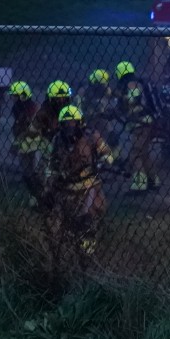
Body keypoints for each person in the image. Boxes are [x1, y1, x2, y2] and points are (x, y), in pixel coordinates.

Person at [46, 105, 114, 257]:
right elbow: (51, 163)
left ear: (80, 122)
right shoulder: (58, 139)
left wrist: (102, 161)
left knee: (87, 216)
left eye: (73, 122)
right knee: (59, 221)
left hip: (89, 183)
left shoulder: (91, 136)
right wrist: (51, 178)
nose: (70, 126)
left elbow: (108, 153)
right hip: (67, 186)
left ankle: (88, 250)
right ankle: (64, 247)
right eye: (66, 123)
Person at [115, 61, 160, 193]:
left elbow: (130, 101)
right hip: (147, 122)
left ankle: (139, 184)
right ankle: (153, 180)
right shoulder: (141, 82)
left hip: (140, 123)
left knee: (135, 153)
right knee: (143, 153)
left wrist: (120, 99)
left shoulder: (129, 85)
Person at [83, 68, 121, 147]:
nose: (106, 86)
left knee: (112, 138)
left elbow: (112, 95)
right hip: (90, 120)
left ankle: (115, 156)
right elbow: (95, 108)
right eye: (103, 84)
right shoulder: (88, 93)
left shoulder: (105, 91)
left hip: (102, 120)